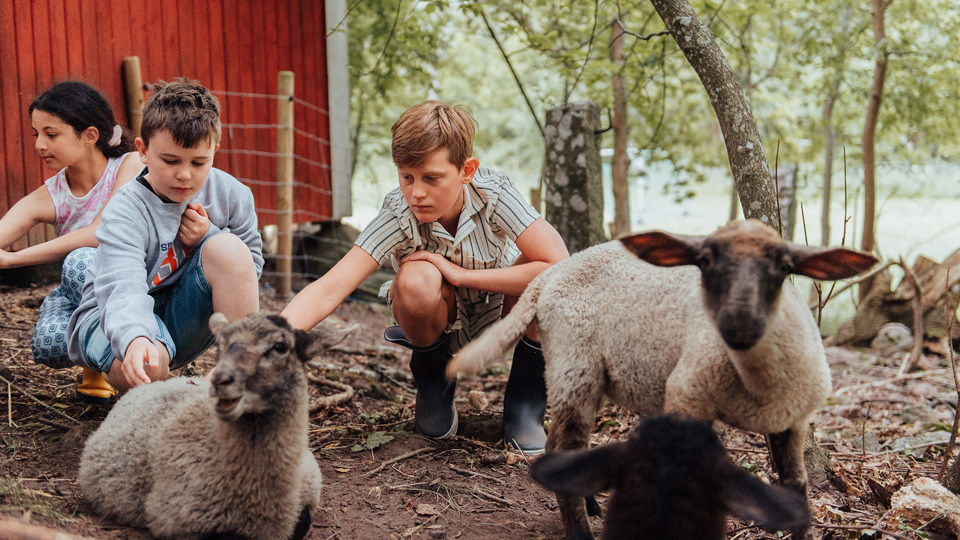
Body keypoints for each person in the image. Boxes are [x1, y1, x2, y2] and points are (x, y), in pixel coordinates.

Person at [282, 100, 569, 452]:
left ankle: (524, 407)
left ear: (467, 170)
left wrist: (462, 276)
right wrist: (270, 337)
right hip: (436, 322)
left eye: (432, 178)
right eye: (407, 177)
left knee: (547, 282)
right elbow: (330, 287)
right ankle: (433, 385)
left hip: (502, 316)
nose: (416, 193)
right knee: (416, 277)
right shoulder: (398, 213)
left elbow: (559, 264)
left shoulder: (494, 194)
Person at [67, 78, 263, 395]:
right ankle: (107, 365)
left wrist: (207, 236)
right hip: (115, 317)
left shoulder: (232, 195)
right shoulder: (125, 210)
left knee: (228, 247)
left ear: (215, 150)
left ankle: (236, 377)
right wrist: (135, 336)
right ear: (143, 151)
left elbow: (248, 271)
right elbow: (124, 285)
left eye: (199, 162)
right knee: (147, 366)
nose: (184, 174)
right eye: (170, 161)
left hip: (178, 316)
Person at [0, 81, 142, 401]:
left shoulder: (131, 166)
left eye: (51, 135)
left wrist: (12, 259)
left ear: (90, 136)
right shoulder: (54, 193)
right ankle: (97, 360)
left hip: (135, 287)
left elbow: (99, 232)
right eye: (36, 134)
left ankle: (116, 365)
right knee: (48, 344)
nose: (39, 144)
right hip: (85, 295)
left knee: (83, 261)